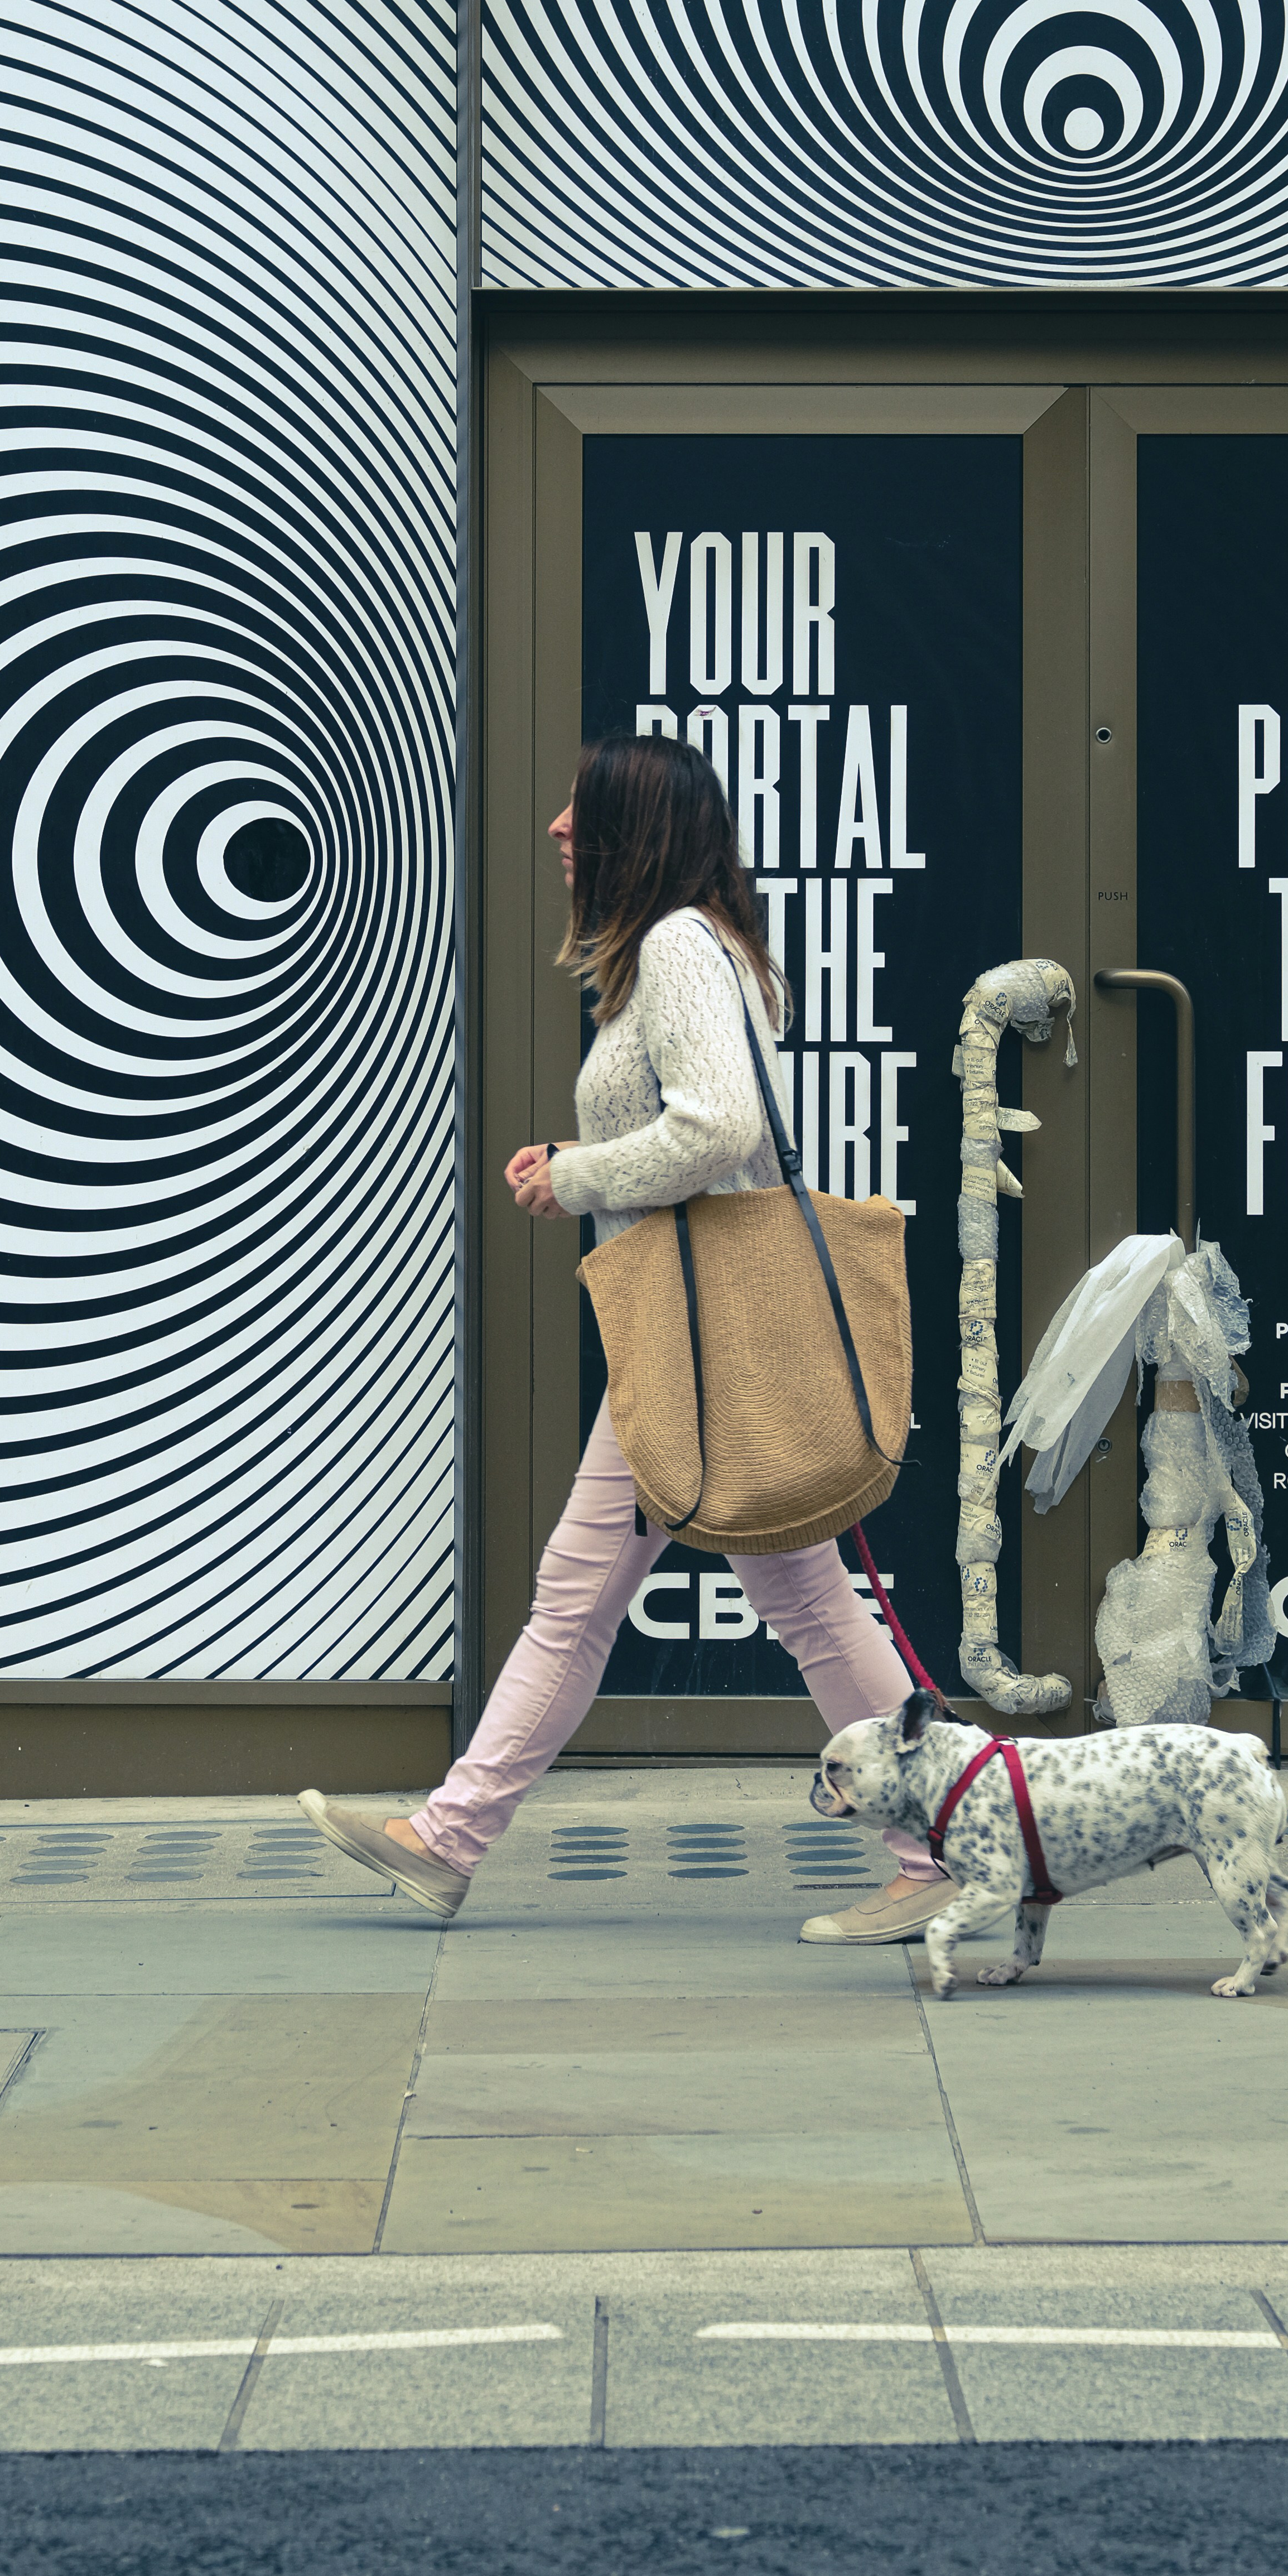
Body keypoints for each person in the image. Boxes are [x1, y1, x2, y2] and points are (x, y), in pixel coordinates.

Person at [300, 728, 956, 1943]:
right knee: (761, 1599)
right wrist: (588, 1172)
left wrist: (575, 1173)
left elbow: (715, 1128)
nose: (555, 827)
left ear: (628, 833)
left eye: (578, 808)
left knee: (648, 1600)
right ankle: (937, 1846)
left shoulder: (676, 947)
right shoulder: (687, 949)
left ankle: (940, 1848)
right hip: (689, 1336)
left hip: (702, 1337)